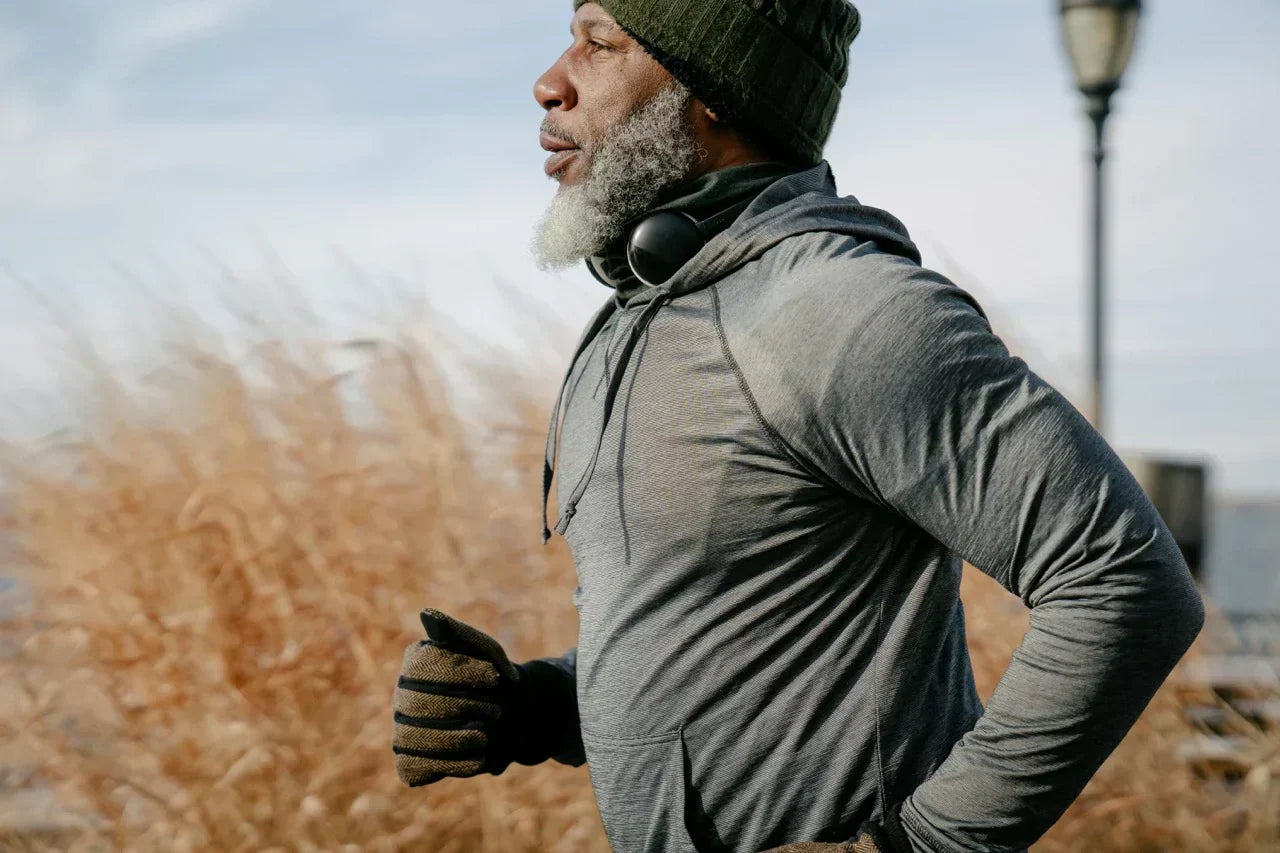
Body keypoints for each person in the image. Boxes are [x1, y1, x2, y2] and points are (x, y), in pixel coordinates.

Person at [391, 2, 1206, 851]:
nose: (550, 82)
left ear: (715, 92)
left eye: (600, 43)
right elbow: (718, 646)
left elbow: (1125, 581)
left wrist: (922, 843)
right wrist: (535, 707)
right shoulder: (641, 316)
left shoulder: (846, 312)